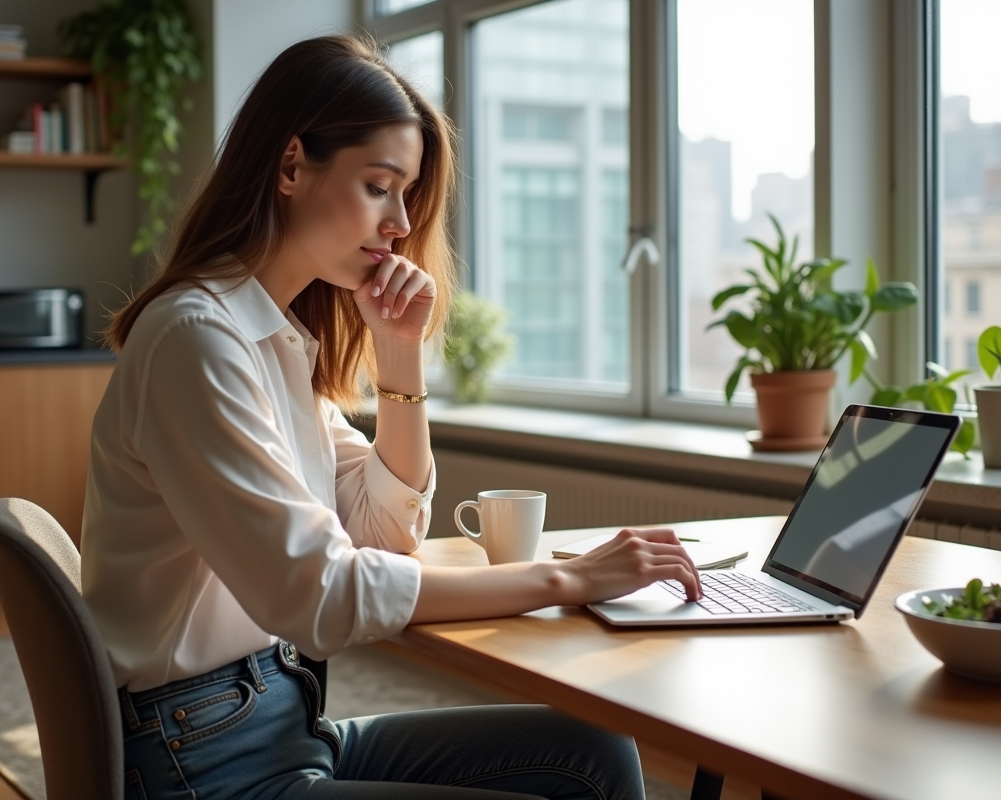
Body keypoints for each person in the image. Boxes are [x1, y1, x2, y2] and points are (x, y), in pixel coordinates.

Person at [81, 33, 702, 800]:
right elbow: (320, 597)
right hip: (200, 760)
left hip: (273, 721)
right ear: (290, 165)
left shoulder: (274, 340)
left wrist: (398, 354)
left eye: (406, 193)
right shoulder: (196, 341)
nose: (402, 222)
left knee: (593, 752)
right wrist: (564, 578)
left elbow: (384, 534)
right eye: (381, 186)